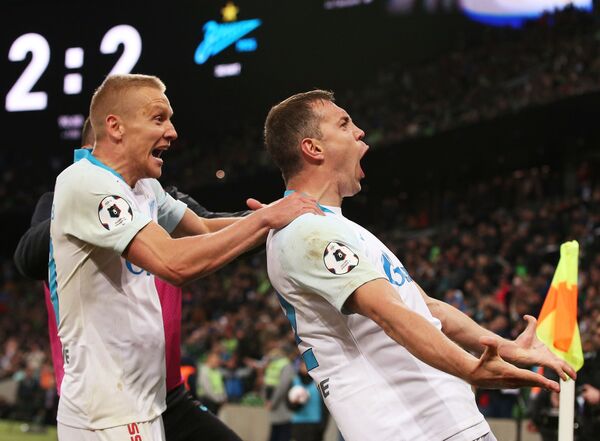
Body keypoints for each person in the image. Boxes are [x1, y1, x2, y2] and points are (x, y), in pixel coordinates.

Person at [263, 90, 576, 441]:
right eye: (344, 123)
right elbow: (390, 314)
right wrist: (471, 369)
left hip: (442, 425)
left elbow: (425, 307)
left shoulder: (338, 227)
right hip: (410, 429)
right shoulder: (305, 231)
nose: (360, 131)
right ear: (314, 149)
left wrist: (504, 346)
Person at [49, 74, 321, 441]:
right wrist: (266, 218)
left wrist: (279, 218)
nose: (173, 132)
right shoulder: (85, 182)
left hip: (143, 399)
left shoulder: (144, 187)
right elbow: (173, 263)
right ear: (115, 127)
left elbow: (207, 230)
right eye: (158, 118)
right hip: (108, 410)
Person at [14, 118, 254, 441]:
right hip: (107, 394)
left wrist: (274, 219)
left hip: (167, 392)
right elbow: (26, 258)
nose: (167, 135)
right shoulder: (65, 200)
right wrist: (91, 206)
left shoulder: (156, 198)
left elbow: (209, 225)